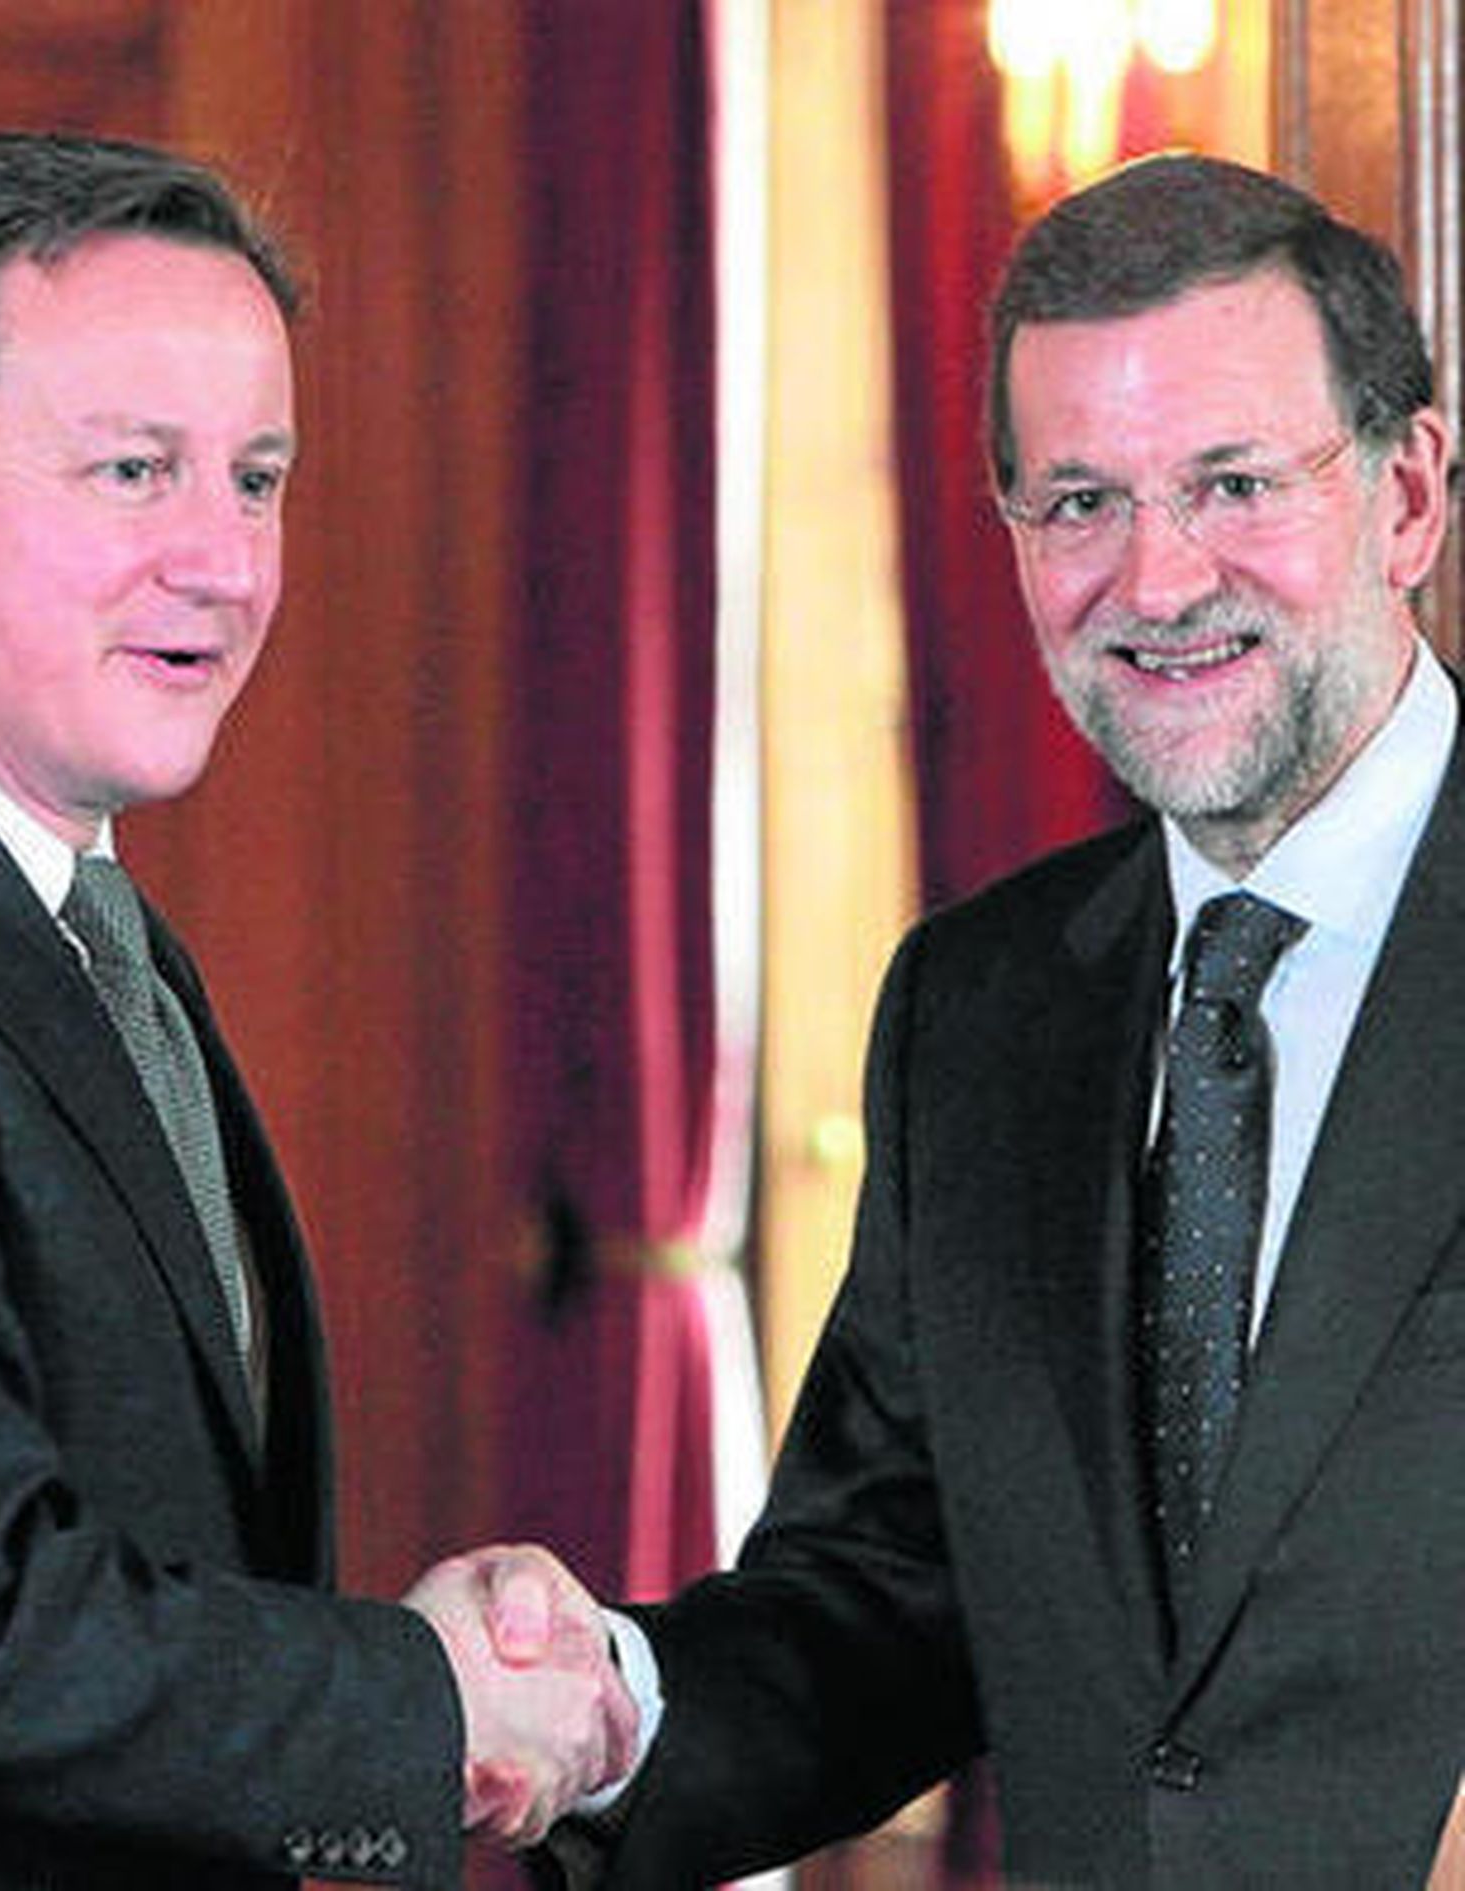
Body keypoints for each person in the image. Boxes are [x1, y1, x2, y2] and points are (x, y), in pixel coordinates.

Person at [527, 152, 1465, 1887]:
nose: (1160, 581)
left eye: (1236, 483)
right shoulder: (977, 1010)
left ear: (1408, 495)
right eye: (1081, 504)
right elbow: (889, 1599)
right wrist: (602, 1711)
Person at [0, 128, 634, 1889]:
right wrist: (426, 1706)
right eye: (135, 473)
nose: (223, 561)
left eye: (259, 479)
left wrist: (425, 1683)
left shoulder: (76, 922)